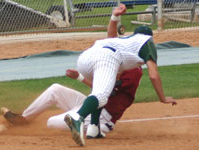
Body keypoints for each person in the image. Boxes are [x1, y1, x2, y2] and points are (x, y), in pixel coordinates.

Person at [64, 4, 177, 146]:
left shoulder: (127, 41)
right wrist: (163, 98)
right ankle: (77, 117)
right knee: (102, 95)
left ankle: (94, 128)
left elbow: (111, 36)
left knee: (99, 91)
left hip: (86, 57)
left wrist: (115, 16)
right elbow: (153, 75)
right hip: (106, 57)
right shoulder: (147, 43)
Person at [1, 67, 142, 137]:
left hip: (102, 117)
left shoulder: (134, 71)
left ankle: (95, 129)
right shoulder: (121, 61)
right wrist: (80, 77)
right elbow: (100, 88)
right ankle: (24, 118)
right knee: (55, 89)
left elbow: (105, 91)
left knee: (51, 122)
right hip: (91, 104)